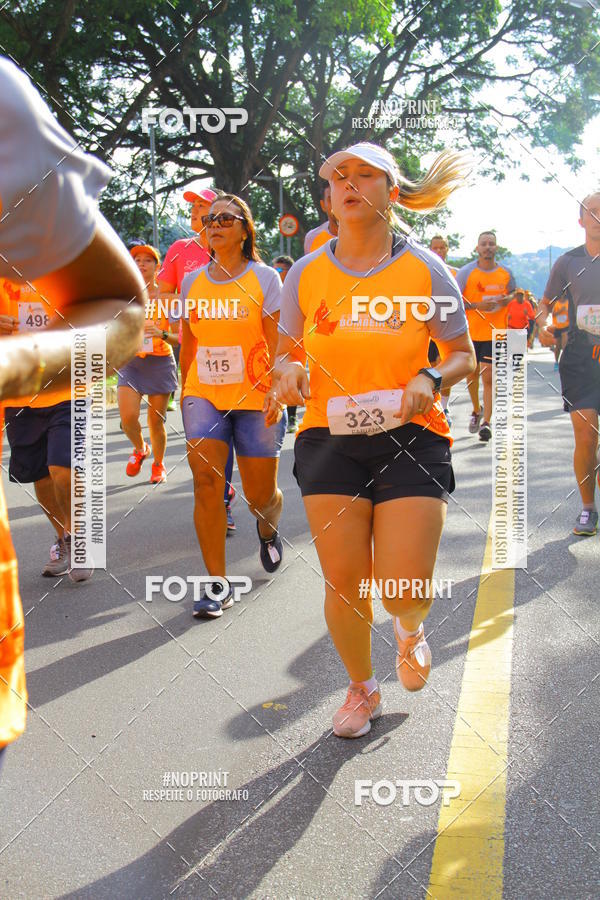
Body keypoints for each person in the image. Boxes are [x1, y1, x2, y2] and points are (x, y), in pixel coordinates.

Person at [266, 142, 475, 738]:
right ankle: (362, 689)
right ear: (328, 198)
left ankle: (409, 629)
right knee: (346, 581)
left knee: (403, 588)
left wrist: (429, 377)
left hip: (412, 436)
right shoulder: (305, 273)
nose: (350, 183)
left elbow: (462, 355)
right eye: (339, 177)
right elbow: (284, 358)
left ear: (391, 192)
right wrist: (288, 376)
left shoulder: (424, 271)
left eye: (365, 175)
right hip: (328, 438)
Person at [0, 58, 146, 761]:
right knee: (39, 479)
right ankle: (62, 532)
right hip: (24, 407)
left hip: (66, 387)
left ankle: (81, 538)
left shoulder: (5, 114)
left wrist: (24, 362)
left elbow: (120, 305)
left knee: (69, 465)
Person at [180, 194, 287, 618]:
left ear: (245, 229)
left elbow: (277, 344)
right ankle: (216, 584)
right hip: (203, 393)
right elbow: (189, 345)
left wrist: (277, 390)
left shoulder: (265, 279)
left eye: (226, 217)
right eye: (210, 219)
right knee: (206, 484)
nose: (216, 224)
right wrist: (185, 395)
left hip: (256, 396)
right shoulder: (192, 281)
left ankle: (267, 527)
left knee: (260, 495)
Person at [158, 187, 237, 532]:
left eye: (204, 205)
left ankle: (223, 496)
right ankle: (216, 494)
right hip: (193, 343)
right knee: (207, 430)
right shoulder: (180, 250)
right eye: (193, 206)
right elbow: (165, 294)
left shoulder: (232, 247)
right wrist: (184, 312)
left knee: (228, 427)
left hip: (235, 346)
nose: (196, 211)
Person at [537, 191, 600, 535]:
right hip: (580, 357)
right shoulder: (567, 262)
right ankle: (588, 509)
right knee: (586, 435)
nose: (599, 217)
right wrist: (545, 326)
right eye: (593, 211)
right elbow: (546, 305)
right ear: (582, 221)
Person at [118, 245, 179, 483]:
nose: (142, 264)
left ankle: (159, 464)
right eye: (137, 260)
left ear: (158, 267)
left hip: (160, 361)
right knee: (128, 417)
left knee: (156, 421)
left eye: (148, 260)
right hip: (131, 361)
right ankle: (141, 448)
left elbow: (178, 337)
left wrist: (160, 333)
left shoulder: (167, 298)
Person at [456, 232, 516, 442]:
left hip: (495, 333)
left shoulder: (505, 273)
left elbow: (513, 295)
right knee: (471, 376)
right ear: (477, 248)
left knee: (489, 377)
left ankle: (486, 423)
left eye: (491, 244)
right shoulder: (466, 273)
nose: (488, 247)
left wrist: (506, 299)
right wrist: (476, 306)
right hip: (470, 333)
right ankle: (476, 409)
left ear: (496, 248)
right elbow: (454, 301)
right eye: (484, 244)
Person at [428, 235, 457, 424]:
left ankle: (444, 407)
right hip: (426, 327)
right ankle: (432, 403)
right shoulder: (423, 270)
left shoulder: (455, 274)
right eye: (435, 248)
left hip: (447, 328)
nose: (439, 251)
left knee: (443, 365)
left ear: (447, 249)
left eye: (442, 248)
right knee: (430, 367)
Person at [272, 255, 299, 431]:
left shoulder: (295, 287)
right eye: (274, 268)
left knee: (291, 376)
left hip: (292, 340)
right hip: (273, 340)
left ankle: (292, 417)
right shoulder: (270, 287)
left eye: (280, 270)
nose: (276, 272)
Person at [303, 183, 338, 254]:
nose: (336, 204)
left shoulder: (364, 236)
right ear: (323, 205)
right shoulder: (312, 238)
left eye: (339, 198)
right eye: (330, 199)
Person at [551, 293, 570, 369]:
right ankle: (556, 362)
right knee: (558, 346)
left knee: (564, 344)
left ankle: (565, 362)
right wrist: (560, 311)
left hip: (566, 326)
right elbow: (553, 314)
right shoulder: (556, 303)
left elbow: (572, 313)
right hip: (558, 326)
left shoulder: (568, 302)